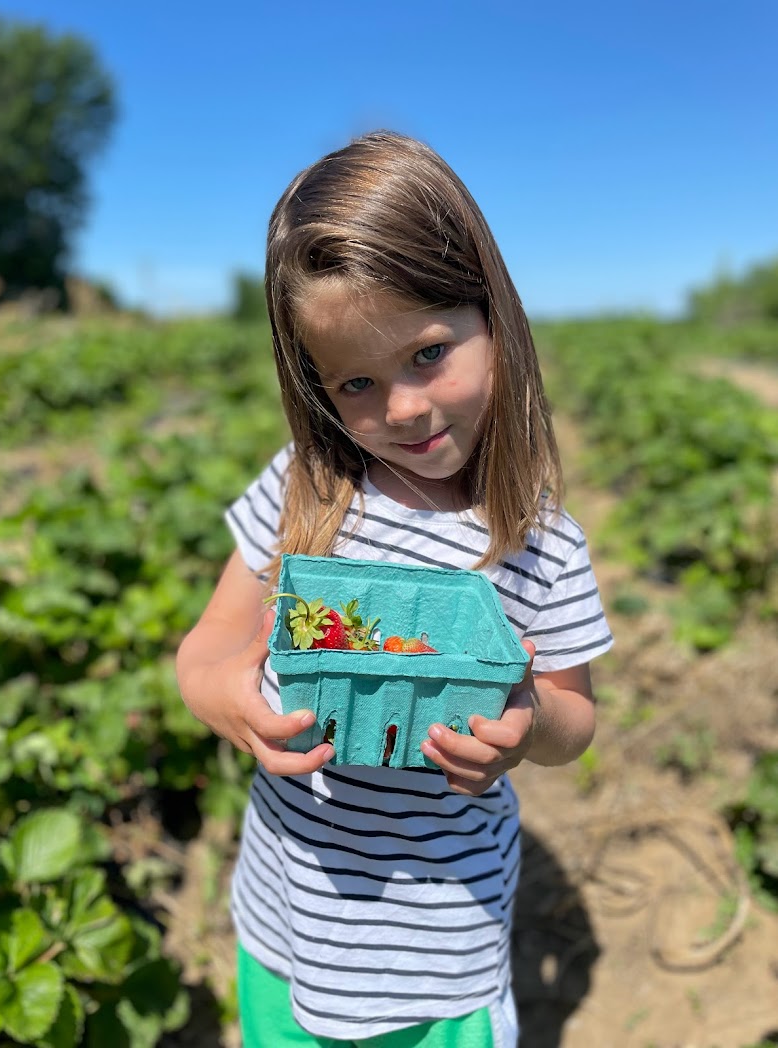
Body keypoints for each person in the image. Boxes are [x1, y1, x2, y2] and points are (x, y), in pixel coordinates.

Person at [176, 130, 613, 1048]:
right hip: (290, 921)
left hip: (440, 948)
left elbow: (576, 719)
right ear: (317, 388)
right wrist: (232, 706)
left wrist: (527, 721)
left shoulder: (537, 542)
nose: (404, 408)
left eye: (428, 353)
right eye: (358, 382)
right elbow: (207, 651)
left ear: (492, 316)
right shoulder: (308, 489)